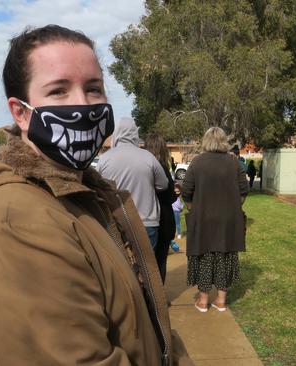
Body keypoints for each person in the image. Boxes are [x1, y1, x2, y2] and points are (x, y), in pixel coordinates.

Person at [0, 25, 191, 365]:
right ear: (20, 112)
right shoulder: (16, 221)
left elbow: (147, 320)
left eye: (93, 89)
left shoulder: (83, 194)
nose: (82, 104)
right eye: (59, 91)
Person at [182, 127, 248, 313]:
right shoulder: (234, 162)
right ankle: (221, 301)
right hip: (227, 221)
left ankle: (203, 302)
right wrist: (235, 207)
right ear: (224, 141)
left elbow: (186, 191)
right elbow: (244, 190)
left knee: (204, 256)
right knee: (224, 256)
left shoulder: (197, 162)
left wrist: (192, 208)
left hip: (203, 219)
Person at [97, 118, 169, 249]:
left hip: (117, 222)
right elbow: (163, 184)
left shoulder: (104, 159)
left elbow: (98, 188)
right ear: (135, 133)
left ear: (116, 133)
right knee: (147, 267)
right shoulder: (148, 157)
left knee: (121, 266)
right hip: (146, 222)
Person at [144, 133, 176, 283]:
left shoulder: (142, 166)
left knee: (145, 262)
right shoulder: (161, 167)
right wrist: (176, 192)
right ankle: (159, 299)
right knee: (160, 261)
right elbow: (169, 197)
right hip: (162, 219)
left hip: (144, 217)